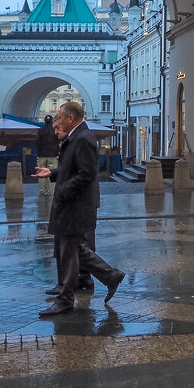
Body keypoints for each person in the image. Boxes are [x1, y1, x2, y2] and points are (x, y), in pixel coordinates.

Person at [33, 102, 125, 316]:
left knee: (68, 251)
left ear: (70, 118)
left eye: (59, 117)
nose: (57, 120)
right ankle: (111, 276)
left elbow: (86, 174)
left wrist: (63, 190)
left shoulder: (83, 139)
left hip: (74, 205)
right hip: (71, 203)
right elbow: (72, 168)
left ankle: (65, 299)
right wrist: (54, 173)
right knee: (75, 249)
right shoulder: (77, 137)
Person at [36, 115, 60, 197]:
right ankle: (51, 191)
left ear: (44, 121)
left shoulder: (40, 131)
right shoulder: (55, 131)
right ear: (52, 121)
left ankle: (43, 191)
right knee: (51, 172)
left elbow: (37, 142)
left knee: (41, 172)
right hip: (53, 155)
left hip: (41, 155)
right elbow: (58, 142)